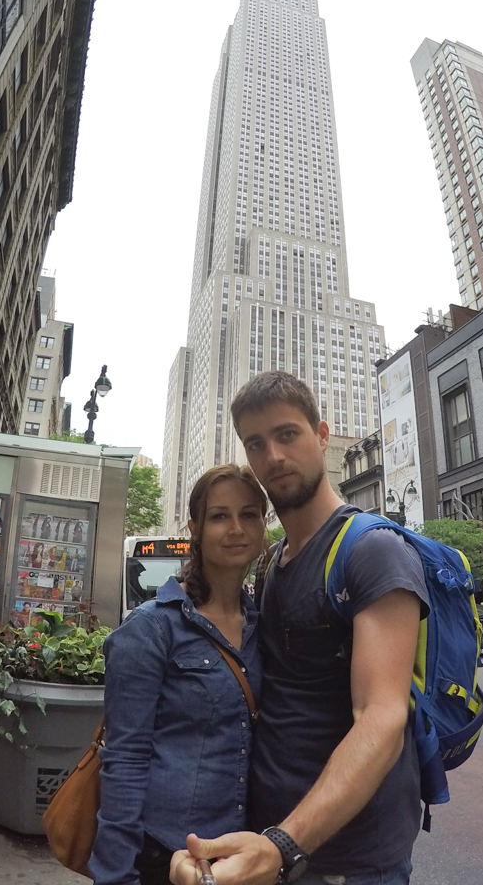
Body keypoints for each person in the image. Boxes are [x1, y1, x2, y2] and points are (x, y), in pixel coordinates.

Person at [172, 372, 428, 885]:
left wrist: (285, 843)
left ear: (322, 434)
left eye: (287, 434)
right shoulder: (271, 563)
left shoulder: (372, 550)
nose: (273, 456)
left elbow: (381, 719)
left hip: (348, 860)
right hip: (268, 844)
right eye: (256, 443)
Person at [89, 464, 267, 885]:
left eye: (249, 514)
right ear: (196, 529)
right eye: (220, 516)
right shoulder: (151, 627)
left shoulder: (263, 626)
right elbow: (125, 759)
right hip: (164, 855)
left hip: (242, 857)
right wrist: (116, 875)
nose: (236, 529)